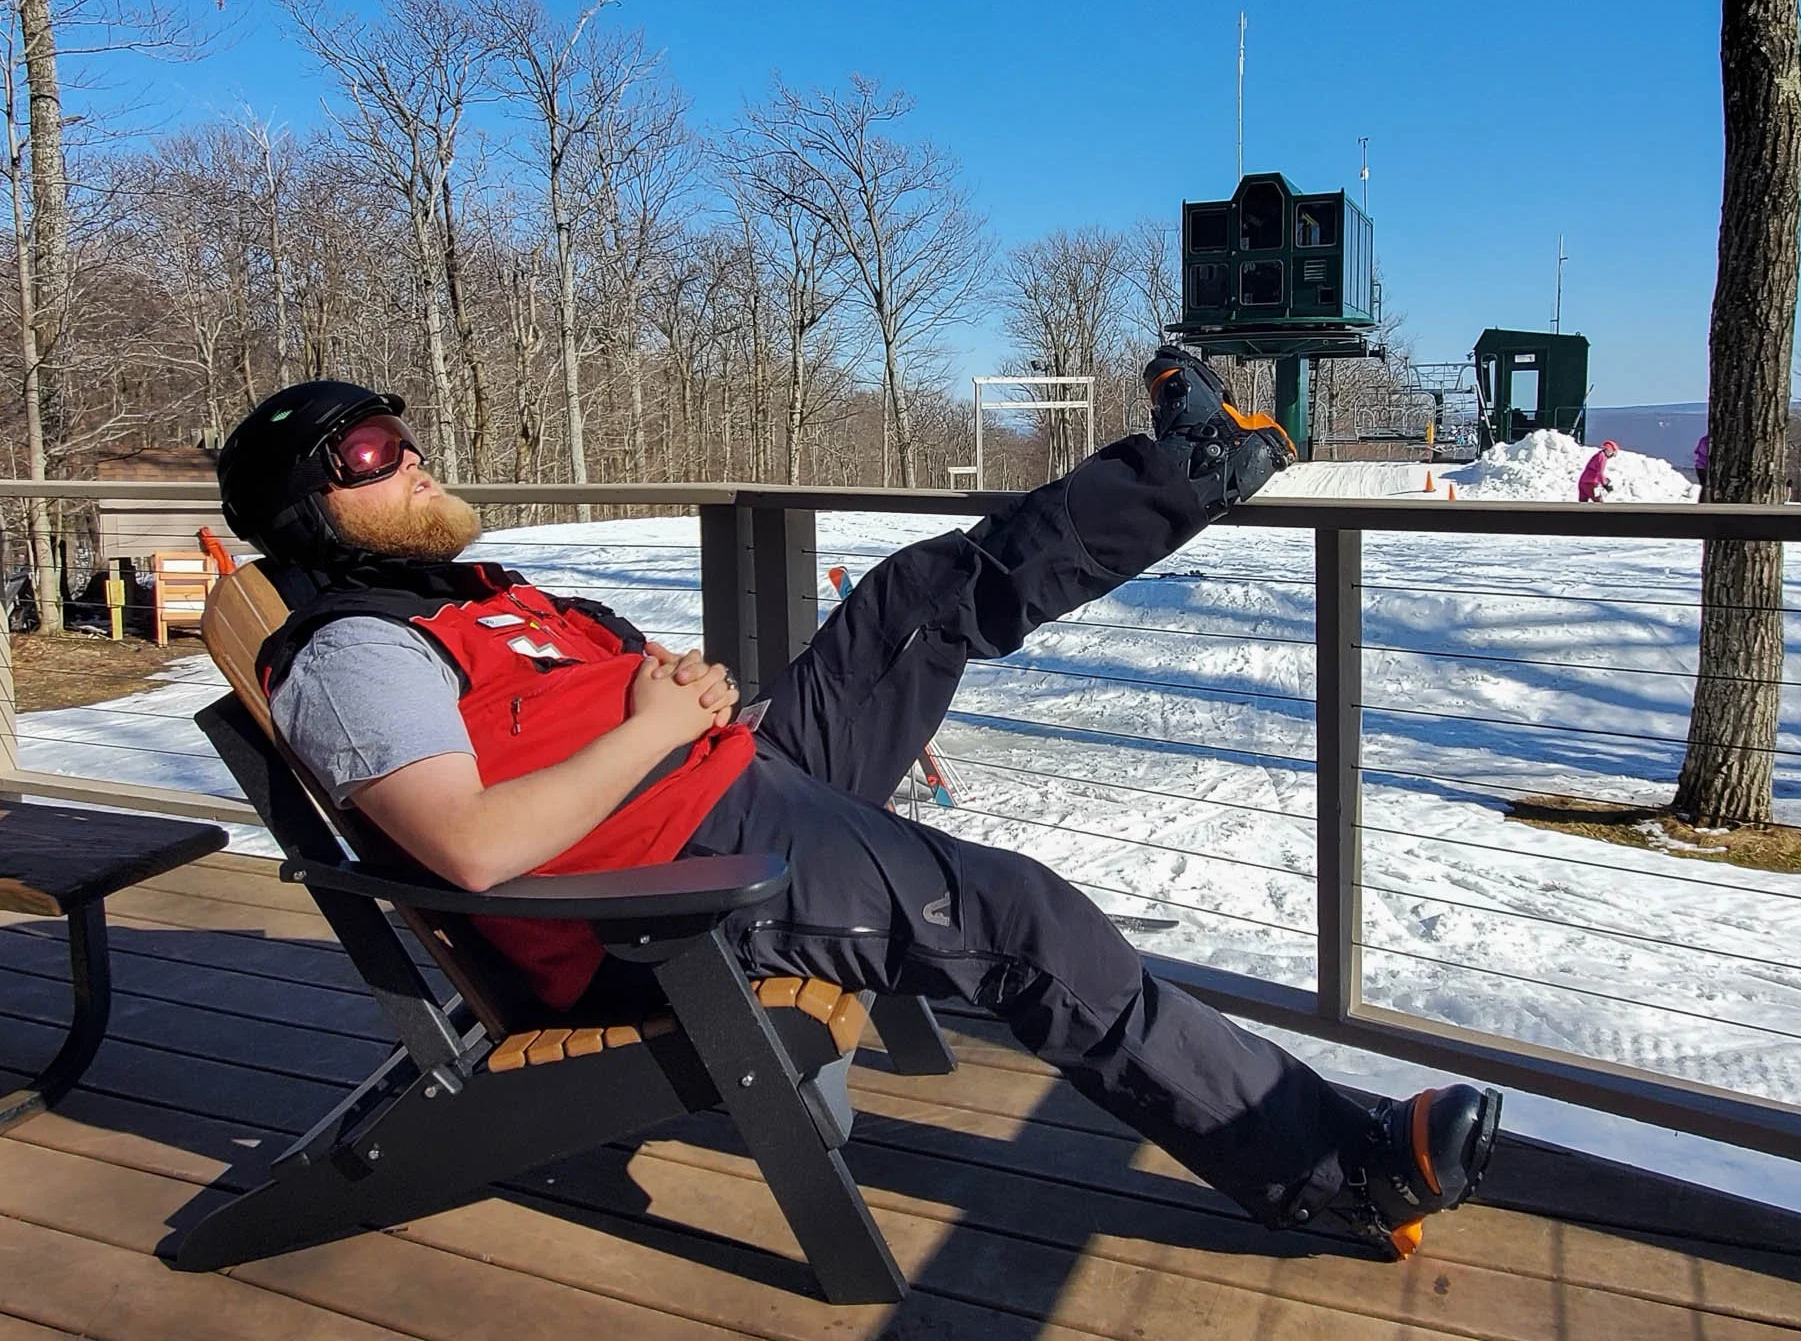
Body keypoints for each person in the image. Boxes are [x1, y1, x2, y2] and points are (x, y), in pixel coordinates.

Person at [215, 348, 1501, 1261]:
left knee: (915, 599)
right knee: (1016, 917)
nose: (413, 452)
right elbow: (474, 847)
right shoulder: (353, 655)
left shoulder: (475, 598)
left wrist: (671, 692)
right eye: (371, 453)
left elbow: (556, 724)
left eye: (400, 429)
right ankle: (1344, 1164)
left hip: (724, 784)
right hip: (666, 895)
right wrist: (661, 725)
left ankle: (1190, 468)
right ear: (308, 510)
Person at [1692, 433, 1709, 499]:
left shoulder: (1704, 439)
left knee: (1704, 487)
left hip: (1700, 466)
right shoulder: (1706, 440)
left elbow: (1696, 451)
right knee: (1705, 487)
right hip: (1702, 467)